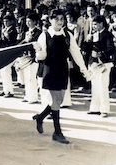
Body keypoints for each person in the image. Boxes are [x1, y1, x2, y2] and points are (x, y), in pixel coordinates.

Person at [32, 9, 91, 144]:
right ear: (51, 20)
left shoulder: (68, 35)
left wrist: (84, 69)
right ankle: (57, 132)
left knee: (58, 101)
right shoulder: (44, 35)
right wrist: (38, 51)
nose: (59, 21)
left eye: (61, 19)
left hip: (63, 70)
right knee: (56, 100)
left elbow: (76, 53)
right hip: (50, 70)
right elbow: (41, 57)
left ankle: (40, 117)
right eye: (56, 19)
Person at [87, 15, 115, 117]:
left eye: (95, 24)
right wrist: (88, 40)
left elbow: (111, 48)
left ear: (101, 24)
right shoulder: (93, 35)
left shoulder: (107, 35)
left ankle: (104, 109)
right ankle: (95, 108)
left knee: (103, 86)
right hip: (94, 63)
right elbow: (87, 49)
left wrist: (100, 53)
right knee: (95, 86)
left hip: (104, 63)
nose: (93, 26)